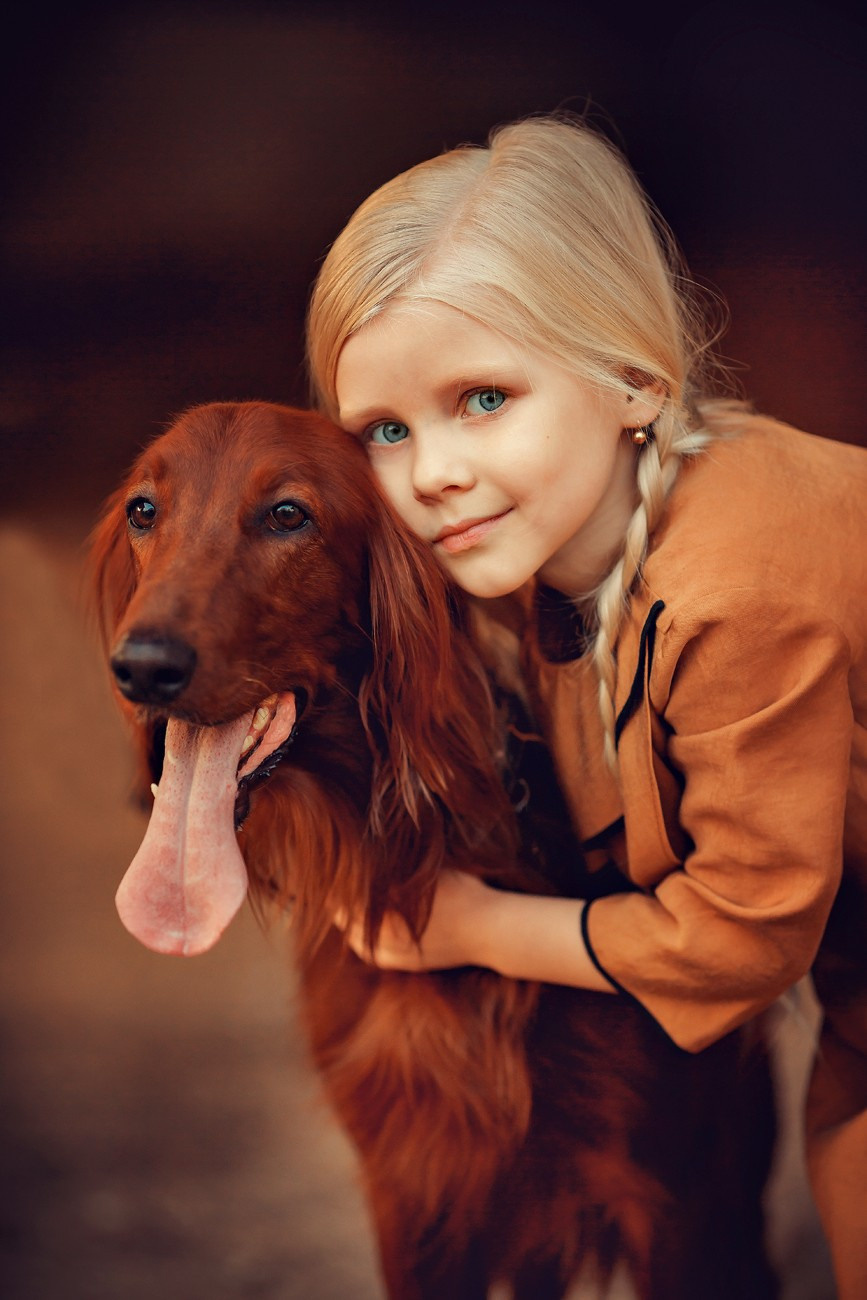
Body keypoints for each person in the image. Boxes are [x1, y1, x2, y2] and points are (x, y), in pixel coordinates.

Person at [305, 114, 867, 1297]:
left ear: (634, 380)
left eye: (483, 399)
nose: (432, 470)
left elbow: (741, 932)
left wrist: (467, 927)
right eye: (385, 432)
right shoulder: (554, 555)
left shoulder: (738, 587)